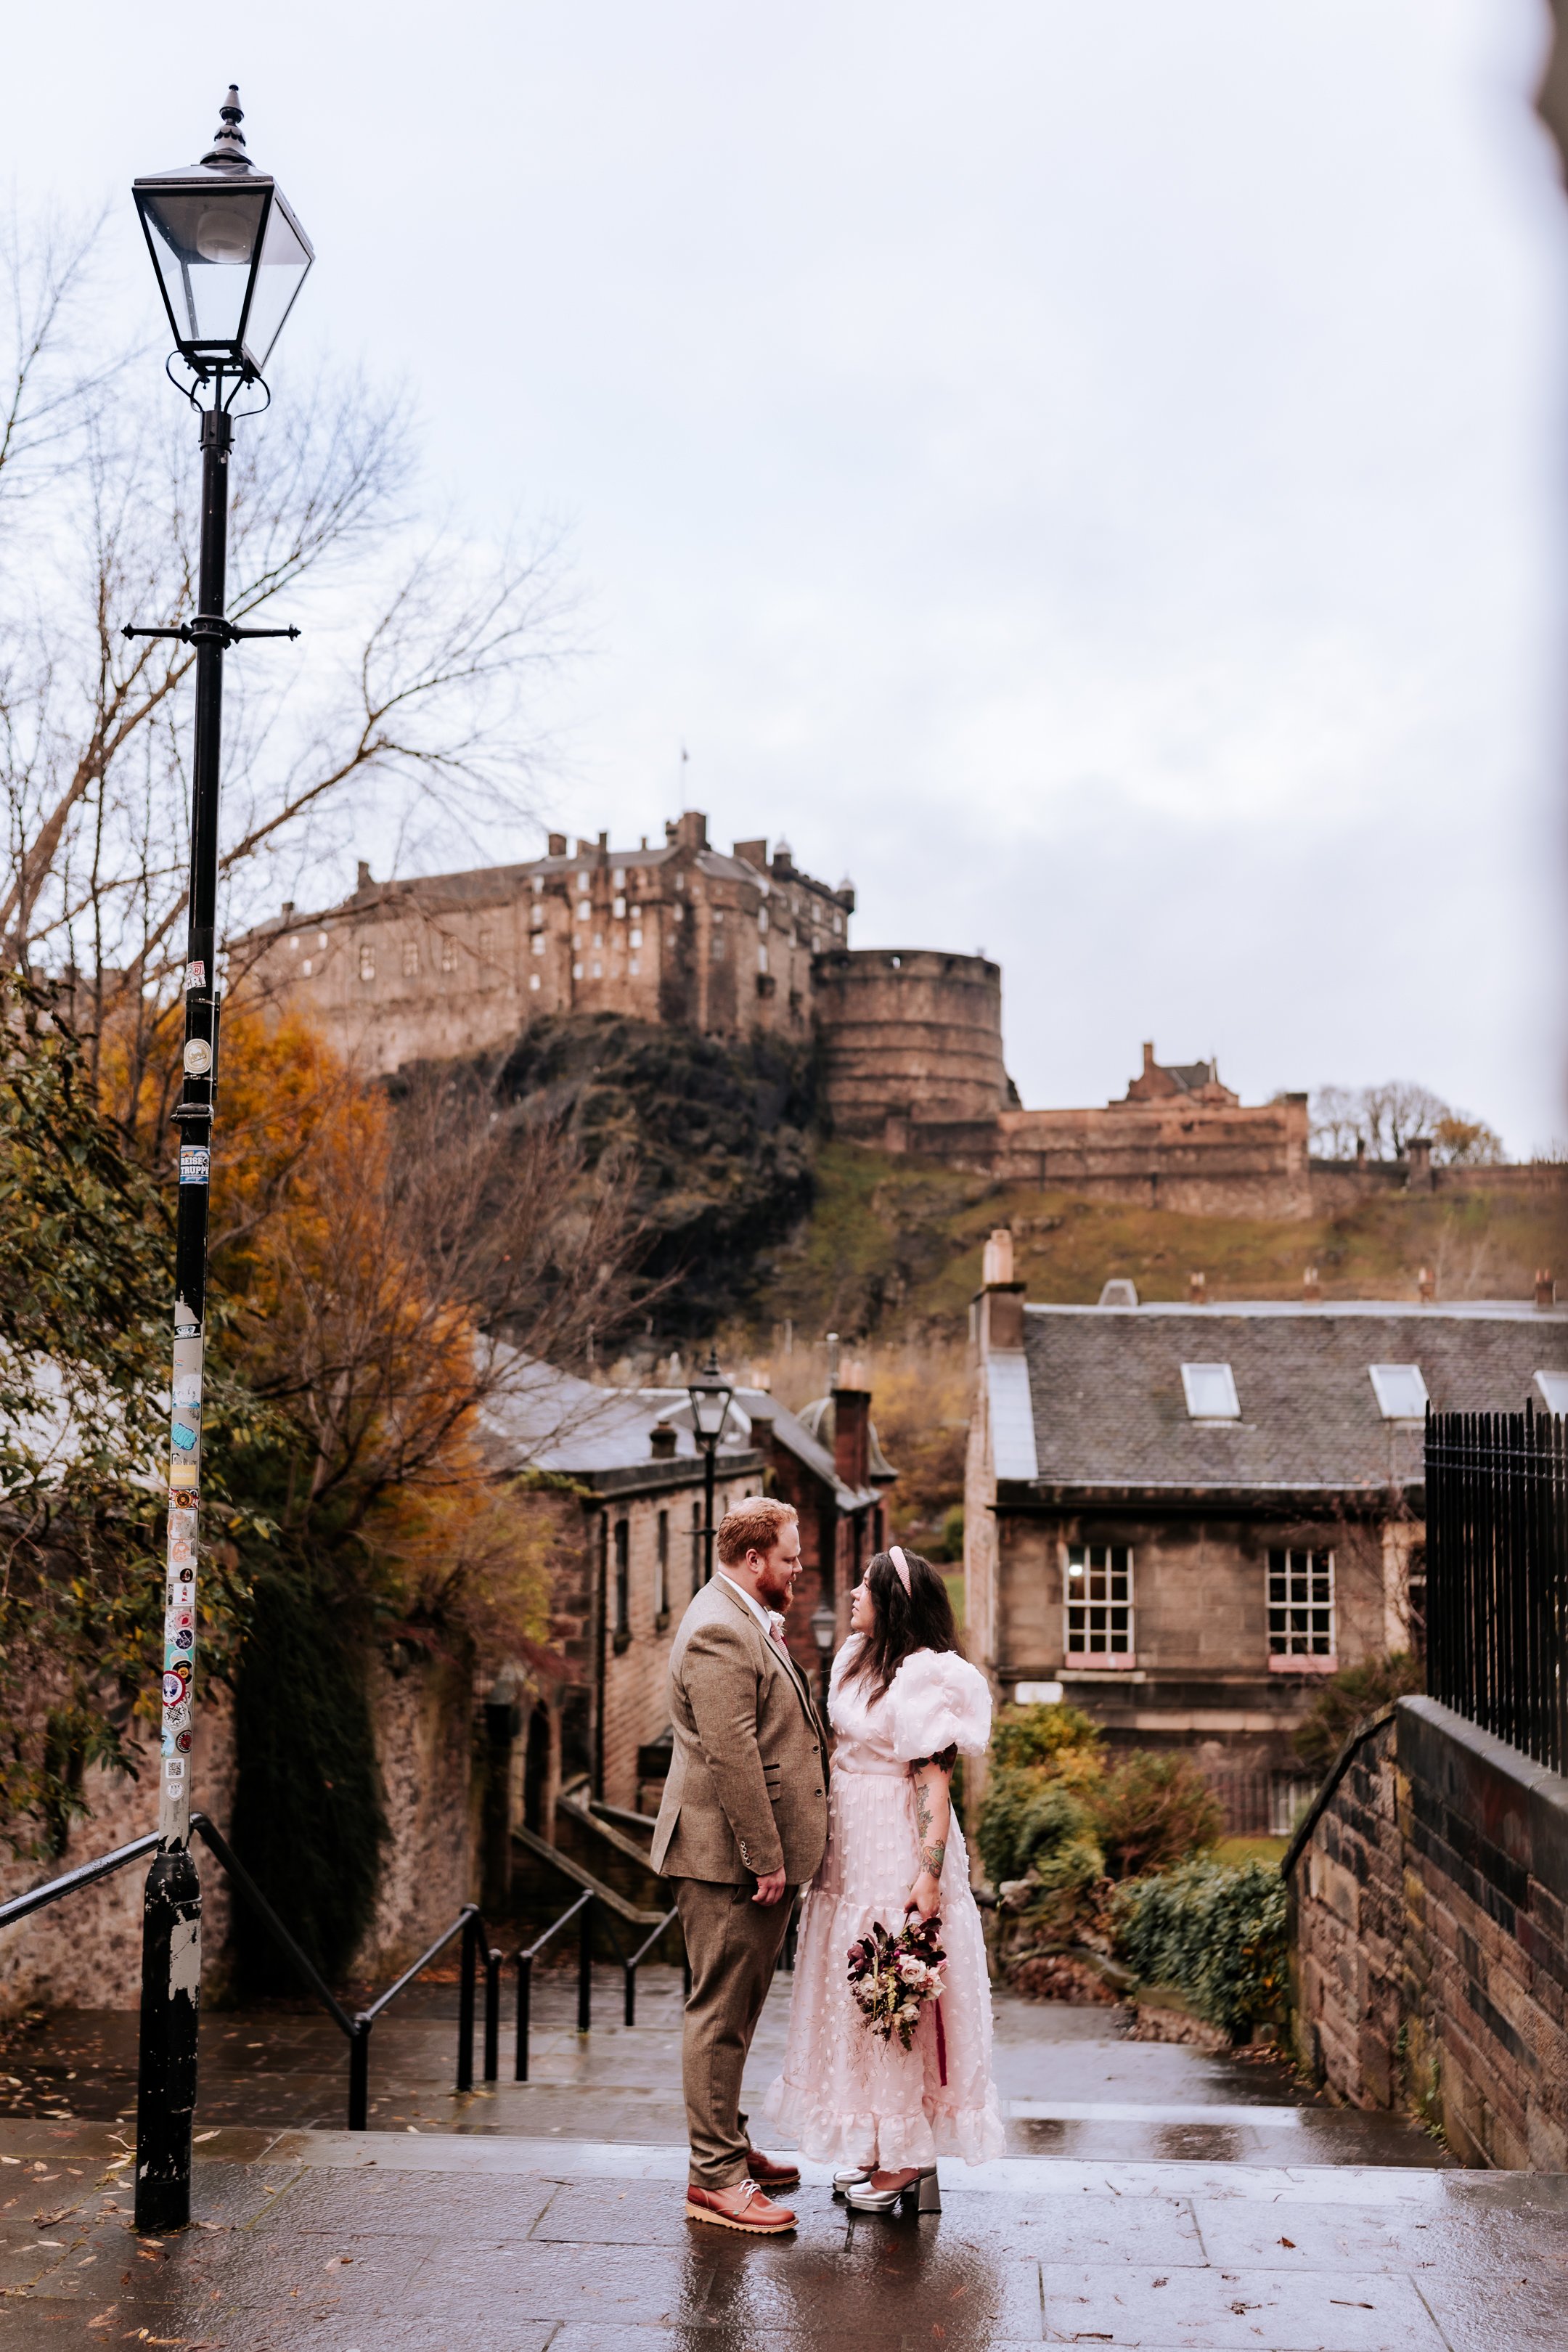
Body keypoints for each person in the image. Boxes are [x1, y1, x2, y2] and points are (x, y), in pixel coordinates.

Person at [764, 1542, 1003, 2212]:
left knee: (892, 1989)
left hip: (897, 1841)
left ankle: (906, 2158)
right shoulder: (855, 1658)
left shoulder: (927, 1676)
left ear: (893, 1602)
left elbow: (934, 1782)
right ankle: (873, 2140)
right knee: (854, 1994)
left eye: (863, 1588)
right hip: (850, 1843)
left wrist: (927, 1876)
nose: (852, 1597)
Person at [650, 1495, 829, 2235]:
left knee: (737, 2010)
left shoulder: (740, 1615)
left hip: (741, 1859)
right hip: (728, 1861)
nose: (798, 1569)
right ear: (754, 1560)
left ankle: (727, 2143)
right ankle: (715, 2178)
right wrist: (767, 1857)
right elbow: (733, 1757)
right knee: (719, 2014)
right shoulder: (720, 1630)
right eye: (789, 1558)